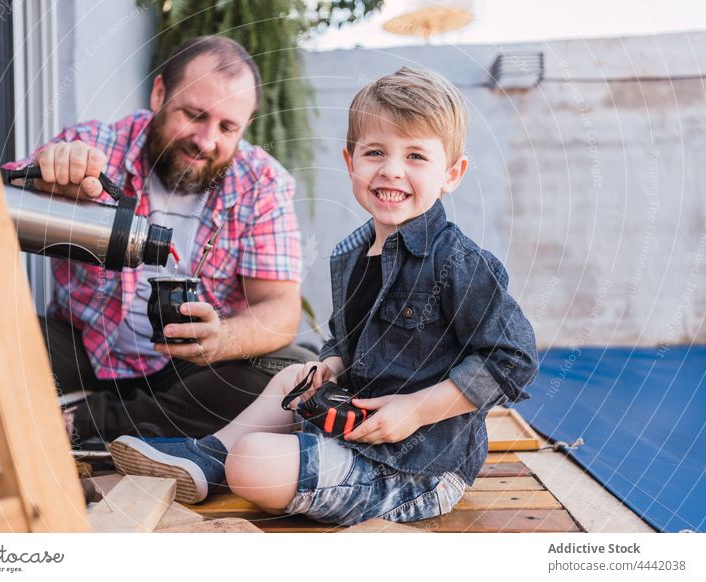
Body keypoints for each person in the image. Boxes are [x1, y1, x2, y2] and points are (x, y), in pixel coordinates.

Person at [108, 66, 539, 525]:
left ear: (451, 174)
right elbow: (347, 340)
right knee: (294, 374)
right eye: (376, 152)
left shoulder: (459, 262)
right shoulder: (353, 255)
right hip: (356, 431)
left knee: (253, 461)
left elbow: (513, 358)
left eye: (416, 156)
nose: (391, 170)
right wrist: (332, 364)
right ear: (350, 162)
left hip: (416, 468)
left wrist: (415, 410)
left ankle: (234, 459)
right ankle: (209, 455)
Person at [3, 36, 313, 441]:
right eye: (194, 114)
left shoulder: (260, 183)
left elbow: (280, 308)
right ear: (160, 93)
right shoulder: (97, 148)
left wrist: (222, 339)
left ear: (245, 127)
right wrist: (52, 174)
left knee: (294, 373)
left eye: (226, 127)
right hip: (82, 347)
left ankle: (90, 422)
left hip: (189, 369)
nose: (206, 140)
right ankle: (143, 430)